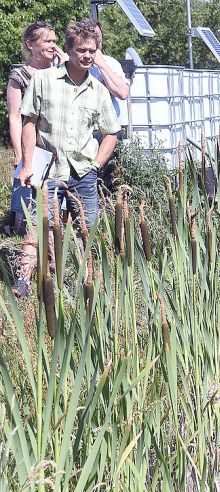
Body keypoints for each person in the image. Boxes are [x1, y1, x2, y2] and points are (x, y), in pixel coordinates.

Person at [12, 20, 121, 298]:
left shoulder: (98, 90)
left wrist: (95, 166)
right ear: (69, 49)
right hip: (49, 169)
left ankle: (90, 286)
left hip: (83, 172)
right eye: (82, 50)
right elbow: (29, 122)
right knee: (41, 228)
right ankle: (30, 284)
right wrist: (26, 163)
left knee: (88, 233)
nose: (87, 56)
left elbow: (112, 133)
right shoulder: (43, 80)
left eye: (92, 51)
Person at [4, 22, 67, 235]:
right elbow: (14, 117)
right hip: (34, 148)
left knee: (61, 206)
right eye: (47, 41)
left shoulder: (62, 72)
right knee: (28, 205)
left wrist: (67, 65)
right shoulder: (19, 76)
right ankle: (26, 243)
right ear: (30, 44)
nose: (53, 45)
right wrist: (20, 154)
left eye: (55, 41)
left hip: (60, 147)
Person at [89, 21, 129, 126]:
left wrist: (102, 65)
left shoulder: (111, 63)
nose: (96, 44)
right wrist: (105, 87)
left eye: (99, 41)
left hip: (109, 127)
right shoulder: (74, 63)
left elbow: (123, 93)